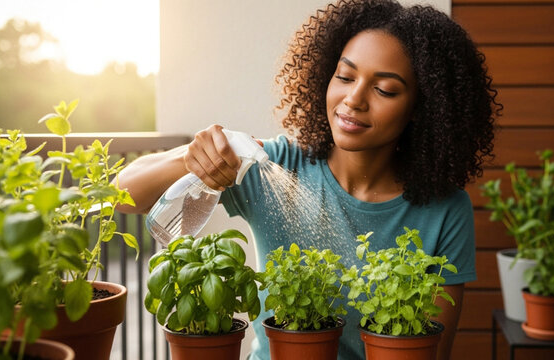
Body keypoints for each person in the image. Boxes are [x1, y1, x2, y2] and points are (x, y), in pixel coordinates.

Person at [116, 0, 498, 358]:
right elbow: (122, 194)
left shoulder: (445, 210)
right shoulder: (276, 165)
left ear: (422, 106)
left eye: (384, 89)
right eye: (345, 76)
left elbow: (432, 352)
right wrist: (190, 156)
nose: (354, 99)